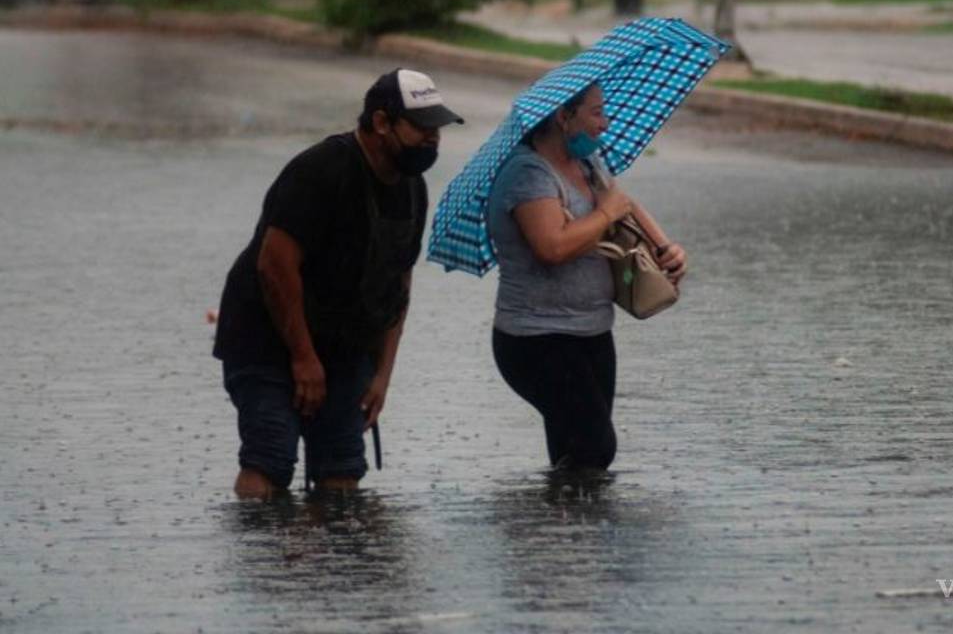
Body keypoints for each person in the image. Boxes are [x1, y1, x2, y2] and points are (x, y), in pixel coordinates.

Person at [213, 68, 463, 499]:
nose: (432, 139)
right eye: (421, 128)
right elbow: (274, 266)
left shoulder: (412, 190)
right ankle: (263, 561)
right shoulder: (321, 171)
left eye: (437, 129)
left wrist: (382, 374)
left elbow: (398, 286)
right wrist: (303, 358)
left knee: (342, 469)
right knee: (269, 457)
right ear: (382, 123)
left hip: (345, 344)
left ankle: (336, 566)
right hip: (265, 336)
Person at [487, 83, 687, 471]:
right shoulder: (527, 173)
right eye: (595, 113)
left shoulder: (588, 162)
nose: (605, 124)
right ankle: (561, 525)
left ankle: (561, 528)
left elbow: (622, 202)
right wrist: (606, 214)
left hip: (592, 332)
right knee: (596, 446)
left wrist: (665, 248)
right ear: (564, 117)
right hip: (537, 338)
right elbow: (553, 248)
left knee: (577, 453)